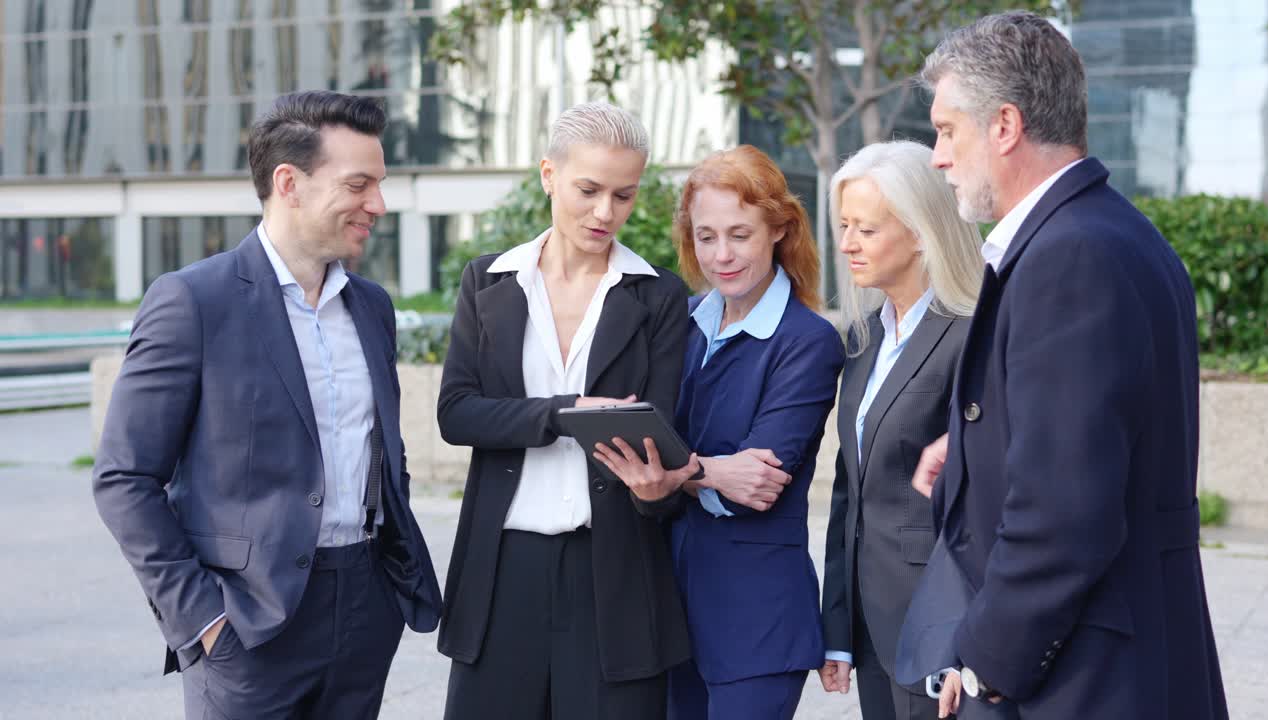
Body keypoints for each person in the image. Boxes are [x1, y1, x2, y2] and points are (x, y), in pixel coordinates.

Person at [901, 11, 1229, 719]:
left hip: (1087, 682)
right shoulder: (1110, 233)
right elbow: (1094, 441)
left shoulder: (1070, 256)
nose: (937, 155)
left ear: (1006, 126)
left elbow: (1067, 512)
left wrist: (986, 657)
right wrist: (972, 450)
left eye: (947, 129)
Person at [92, 90, 442, 719]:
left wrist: (385, 589)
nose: (378, 205)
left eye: (379, 184)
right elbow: (124, 477)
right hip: (247, 625)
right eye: (359, 184)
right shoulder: (193, 302)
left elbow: (380, 452)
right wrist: (201, 619)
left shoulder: (372, 307)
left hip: (365, 606)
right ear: (290, 183)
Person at [435, 101, 693, 720]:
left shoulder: (658, 296)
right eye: (588, 189)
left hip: (614, 572)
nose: (606, 212)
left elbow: (663, 434)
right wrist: (562, 412)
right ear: (549, 175)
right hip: (502, 569)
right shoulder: (489, 281)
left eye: (624, 195)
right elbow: (456, 412)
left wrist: (657, 489)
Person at [594, 144, 845, 720]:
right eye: (706, 236)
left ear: (779, 230)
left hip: (755, 618)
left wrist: (678, 472)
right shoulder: (679, 324)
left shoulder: (806, 341)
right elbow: (635, 449)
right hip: (666, 609)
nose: (722, 255)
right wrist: (710, 471)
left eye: (740, 234)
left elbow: (756, 484)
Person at [816, 141, 983, 720]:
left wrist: (971, 646)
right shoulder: (864, 339)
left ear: (919, 232)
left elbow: (985, 503)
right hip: (872, 626)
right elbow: (849, 492)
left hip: (939, 630)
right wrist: (838, 627)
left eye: (865, 228)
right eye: (843, 225)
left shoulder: (971, 336)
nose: (846, 244)